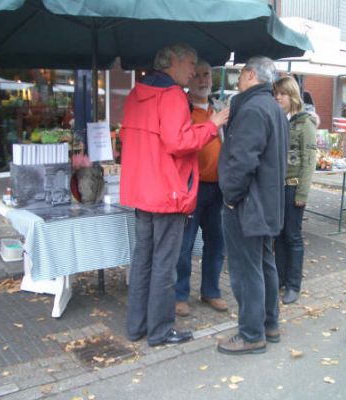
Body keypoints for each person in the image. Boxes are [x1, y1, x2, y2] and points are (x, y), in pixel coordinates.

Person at [120, 44, 229, 347]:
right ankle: (160, 331)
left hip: (141, 190)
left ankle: (136, 327)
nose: (194, 71)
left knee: (142, 261)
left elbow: (127, 137)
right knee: (164, 265)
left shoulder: (136, 93)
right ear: (173, 63)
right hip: (167, 192)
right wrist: (211, 126)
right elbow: (178, 143)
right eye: (191, 64)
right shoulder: (172, 96)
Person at [217, 56, 288, 355]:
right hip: (265, 202)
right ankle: (268, 324)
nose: (238, 79)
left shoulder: (252, 108)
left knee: (247, 270)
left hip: (247, 203)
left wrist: (231, 196)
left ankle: (251, 334)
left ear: (249, 74)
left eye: (240, 74)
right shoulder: (273, 107)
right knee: (263, 264)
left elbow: (243, 161)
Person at [175, 60, 228, 317]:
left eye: (206, 74)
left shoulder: (219, 108)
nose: (203, 80)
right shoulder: (180, 108)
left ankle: (211, 291)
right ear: (188, 78)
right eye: (196, 75)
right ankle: (179, 295)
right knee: (184, 245)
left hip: (218, 187)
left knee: (216, 242)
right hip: (191, 187)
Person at [273, 76, 318, 305]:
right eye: (276, 94)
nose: (278, 97)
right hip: (277, 189)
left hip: (293, 188)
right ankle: (279, 279)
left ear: (292, 96)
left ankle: (293, 285)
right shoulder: (279, 120)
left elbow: (309, 161)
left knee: (293, 236)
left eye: (282, 94)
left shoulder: (305, 123)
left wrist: (302, 193)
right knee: (279, 236)